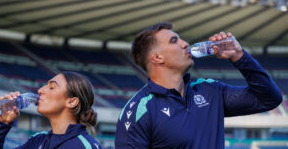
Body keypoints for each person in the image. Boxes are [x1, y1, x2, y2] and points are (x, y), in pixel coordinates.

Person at [115, 22, 282, 148]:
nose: (185, 43)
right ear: (157, 57)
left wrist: (239, 56)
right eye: (174, 41)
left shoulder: (210, 90)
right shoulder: (138, 110)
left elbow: (268, 99)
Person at [0, 71, 102, 149]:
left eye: (52, 87)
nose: (40, 90)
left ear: (71, 102)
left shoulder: (84, 146)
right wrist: (2, 123)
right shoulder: (38, 141)